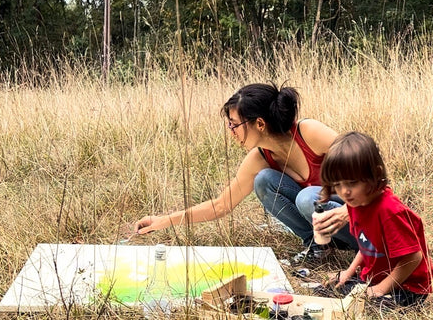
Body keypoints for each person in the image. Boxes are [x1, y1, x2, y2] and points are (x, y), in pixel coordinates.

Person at [134, 82, 358, 262]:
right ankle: (317, 247)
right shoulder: (260, 158)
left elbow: (369, 170)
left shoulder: (309, 132)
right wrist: (163, 221)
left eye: (234, 124)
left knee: (307, 198)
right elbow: (221, 205)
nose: (231, 132)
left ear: (259, 123)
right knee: (264, 180)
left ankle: (364, 250)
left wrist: (347, 211)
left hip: (361, 224)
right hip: (327, 228)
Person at [314, 132, 433, 310]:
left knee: (369, 308)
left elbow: (413, 257)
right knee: (327, 291)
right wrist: (349, 273)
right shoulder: (356, 204)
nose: (344, 192)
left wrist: (378, 289)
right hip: (375, 276)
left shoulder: (388, 211)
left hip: (408, 286)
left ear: (374, 174)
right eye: (338, 184)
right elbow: (367, 245)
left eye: (352, 183)